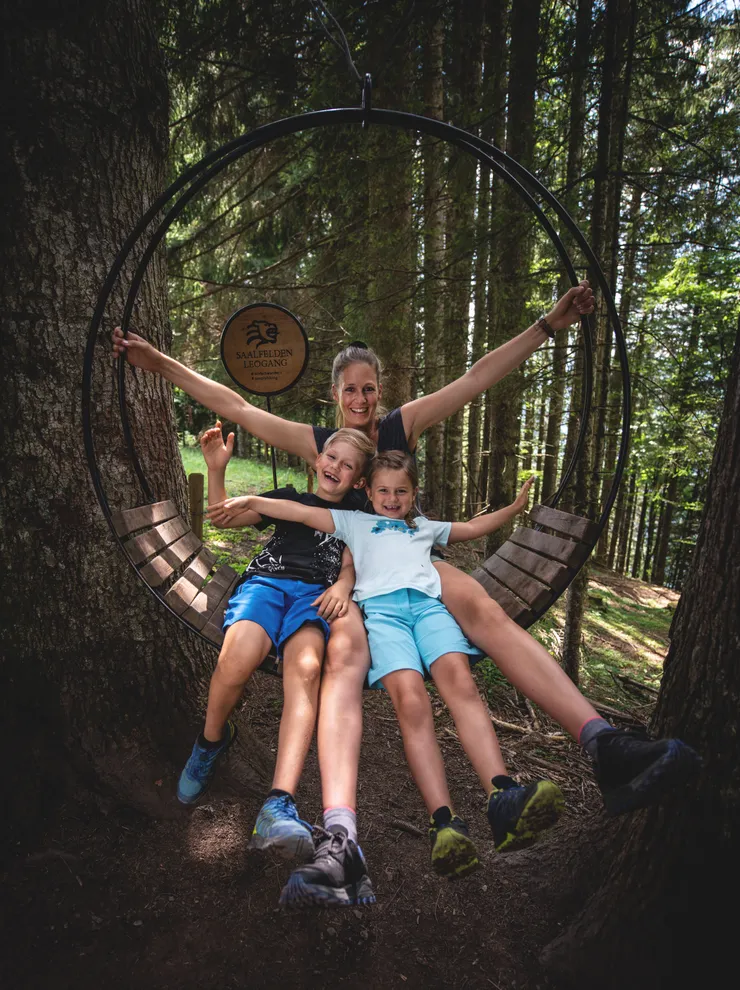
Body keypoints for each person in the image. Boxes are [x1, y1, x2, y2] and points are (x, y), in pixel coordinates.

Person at [113, 279, 699, 901]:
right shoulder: (319, 446)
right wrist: (156, 364)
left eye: (369, 388)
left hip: (400, 561)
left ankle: (602, 742)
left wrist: (548, 325)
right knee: (342, 662)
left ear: (380, 392)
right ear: (334, 396)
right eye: (350, 390)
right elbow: (235, 406)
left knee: (481, 607)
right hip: (342, 575)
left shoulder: (399, 427)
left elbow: (476, 379)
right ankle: (338, 828)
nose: (361, 400)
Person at [210, 452, 565, 884]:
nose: (392, 499)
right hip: (383, 618)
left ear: (414, 495)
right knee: (412, 700)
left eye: (401, 492)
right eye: (383, 491)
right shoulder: (354, 523)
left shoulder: (423, 528)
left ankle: (502, 797)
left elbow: (472, 529)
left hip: (429, 610)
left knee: (460, 682)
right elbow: (301, 511)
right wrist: (257, 500)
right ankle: (444, 820)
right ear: (368, 492)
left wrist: (512, 510)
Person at [176, 425, 376, 906]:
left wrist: (344, 587)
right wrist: (217, 468)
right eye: (331, 456)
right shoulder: (287, 495)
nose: (335, 467)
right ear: (317, 459)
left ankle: (277, 802)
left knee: (306, 668)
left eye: (348, 466)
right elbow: (225, 518)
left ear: (359, 482)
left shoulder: (360, 513)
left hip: (317, 597)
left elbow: (353, 560)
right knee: (237, 660)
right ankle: (211, 742)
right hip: (266, 585)